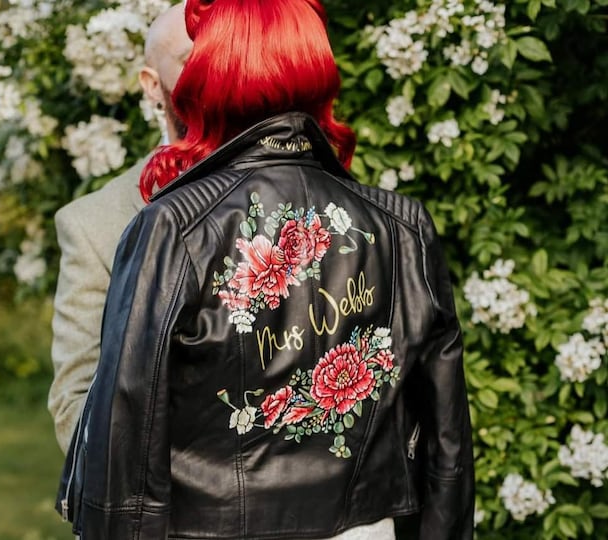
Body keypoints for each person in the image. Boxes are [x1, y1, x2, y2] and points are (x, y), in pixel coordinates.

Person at [56, 0, 475, 538]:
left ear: (211, 79)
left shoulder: (173, 225)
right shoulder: (402, 225)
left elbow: (126, 435)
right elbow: (446, 441)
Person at [48, 3, 192, 454]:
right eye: (191, 61)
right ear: (152, 85)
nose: (214, 75)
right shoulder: (94, 224)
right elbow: (76, 408)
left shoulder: (311, 194)